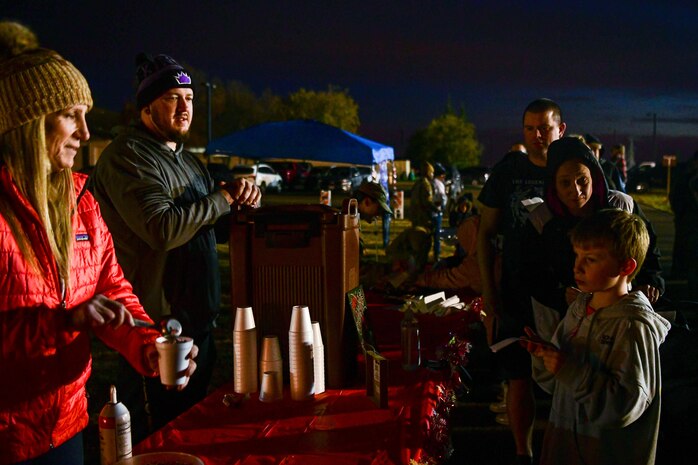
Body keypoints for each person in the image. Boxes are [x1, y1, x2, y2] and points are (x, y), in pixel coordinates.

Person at [0, 22, 196, 464]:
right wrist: (63, 322)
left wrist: (146, 343)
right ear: (28, 123)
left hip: (67, 424)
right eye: (71, 114)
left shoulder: (80, 201)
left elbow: (111, 290)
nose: (86, 133)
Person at [91, 53, 260, 441]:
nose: (186, 107)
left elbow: (202, 227)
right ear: (147, 106)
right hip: (154, 328)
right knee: (158, 439)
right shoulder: (128, 155)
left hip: (197, 319)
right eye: (173, 98)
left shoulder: (185, 159)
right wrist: (222, 199)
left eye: (190, 98)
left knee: (191, 432)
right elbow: (162, 229)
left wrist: (241, 204)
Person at [523, 209, 671, 465]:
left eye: (590, 259)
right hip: (564, 444)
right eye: (577, 255)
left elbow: (625, 406)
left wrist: (568, 369)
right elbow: (556, 384)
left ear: (625, 266)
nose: (577, 266)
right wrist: (545, 357)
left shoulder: (632, 326)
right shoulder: (578, 309)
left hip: (606, 452)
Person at [477, 98, 566, 465]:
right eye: (529, 128)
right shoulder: (509, 170)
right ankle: (522, 453)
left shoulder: (574, 169)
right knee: (517, 376)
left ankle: (568, 452)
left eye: (544, 128)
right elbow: (485, 234)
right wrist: (489, 297)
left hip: (564, 292)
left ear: (561, 129)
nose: (536, 136)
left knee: (570, 376)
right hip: (516, 291)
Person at [523, 137, 664, 337]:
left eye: (582, 180)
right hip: (564, 323)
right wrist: (559, 294)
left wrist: (650, 282)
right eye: (565, 183)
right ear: (553, 184)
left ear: (595, 176)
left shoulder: (621, 207)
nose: (576, 190)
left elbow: (647, 248)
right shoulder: (541, 219)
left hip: (621, 316)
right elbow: (529, 271)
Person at [669, 151, 698, 295]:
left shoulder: (686, 175)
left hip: (686, 219)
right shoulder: (689, 178)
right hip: (689, 220)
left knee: (685, 248)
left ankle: (681, 271)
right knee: (690, 251)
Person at [354, 179, 393, 255]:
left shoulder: (353, 221)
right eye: (378, 209)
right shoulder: (347, 224)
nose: (379, 215)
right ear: (367, 202)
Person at [431, 162, 448, 261]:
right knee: (437, 236)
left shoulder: (431, 182)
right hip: (437, 212)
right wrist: (443, 206)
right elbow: (443, 197)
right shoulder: (439, 183)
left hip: (430, 211)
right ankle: (436, 256)